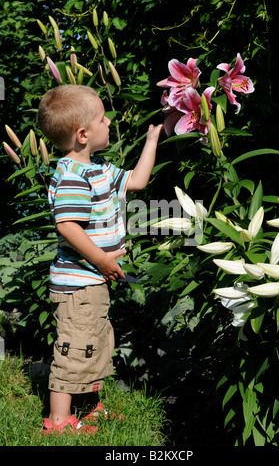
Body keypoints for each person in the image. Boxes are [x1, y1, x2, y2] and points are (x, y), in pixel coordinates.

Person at [38, 84, 163, 434]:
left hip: (91, 283)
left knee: (95, 343)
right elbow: (68, 227)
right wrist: (103, 261)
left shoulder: (100, 170)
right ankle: (59, 423)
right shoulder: (73, 177)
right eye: (102, 117)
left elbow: (137, 181)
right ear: (82, 134)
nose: (109, 121)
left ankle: (90, 407)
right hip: (79, 284)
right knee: (74, 348)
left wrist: (152, 141)